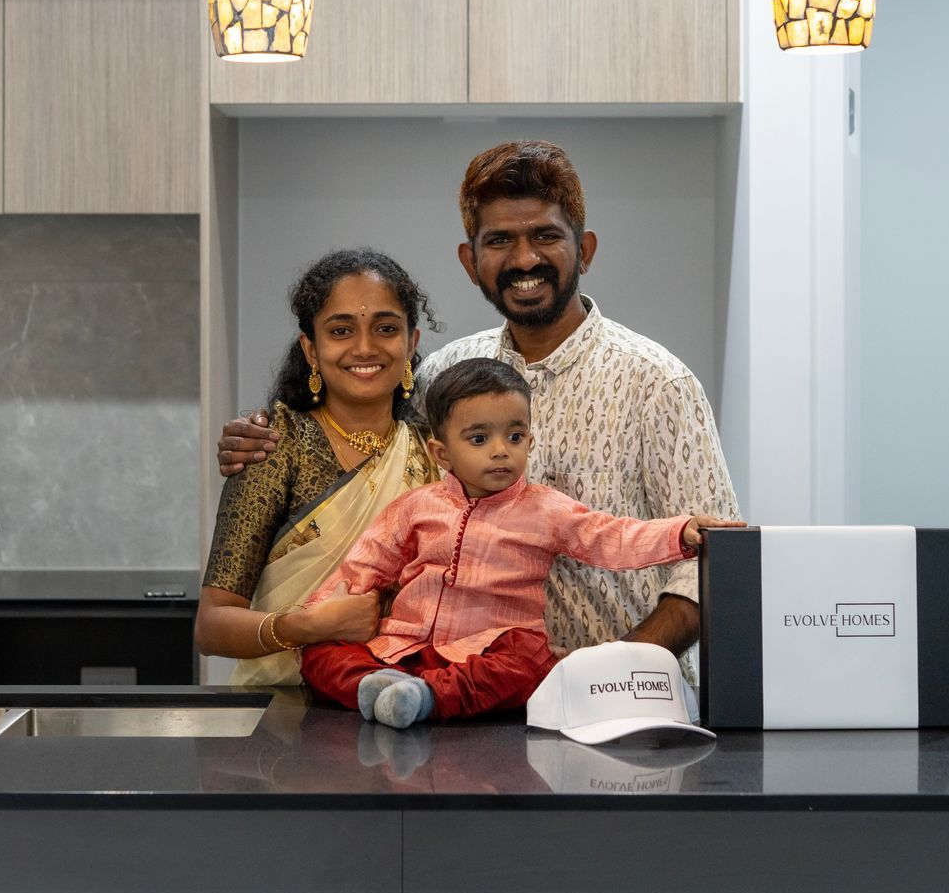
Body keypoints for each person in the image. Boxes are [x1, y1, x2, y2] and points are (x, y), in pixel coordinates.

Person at [220, 141, 742, 675]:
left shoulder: (657, 382)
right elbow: (360, 426)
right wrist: (261, 429)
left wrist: (608, 673)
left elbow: (714, 563)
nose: (524, 259)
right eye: (499, 241)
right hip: (459, 713)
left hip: (620, 712)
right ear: (471, 262)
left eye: (545, 236)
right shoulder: (442, 375)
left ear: (584, 249)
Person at [299, 358, 741, 728]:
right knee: (319, 653)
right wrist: (321, 612)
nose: (500, 451)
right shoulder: (415, 506)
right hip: (405, 649)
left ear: (529, 441)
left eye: (514, 437)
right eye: (479, 439)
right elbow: (365, 565)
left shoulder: (544, 509)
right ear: (442, 454)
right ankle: (369, 687)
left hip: (489, 651)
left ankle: (425, 699)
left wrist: (678, 532)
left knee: (531, 660)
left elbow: (610, 536)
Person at [194, 248, 441, 685]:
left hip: (412, 707)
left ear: (411, 343)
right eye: (341, 330)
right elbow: (211, 626)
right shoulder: (274, 448)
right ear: (311, 349)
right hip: (284, 723)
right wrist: (308, 627)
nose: (365, 347)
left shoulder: (435, 453)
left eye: (385, 328)